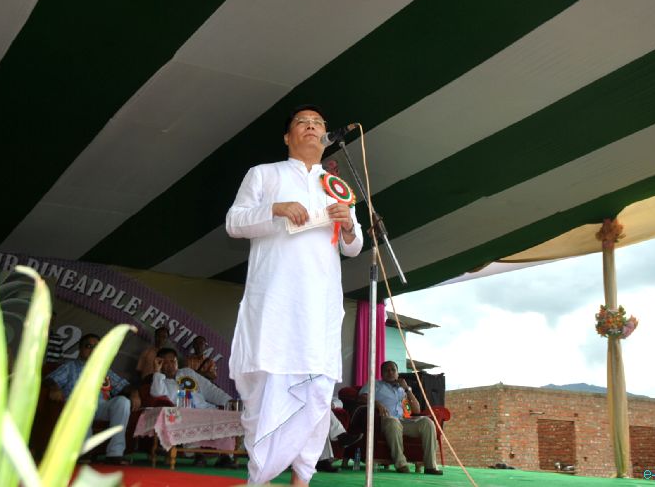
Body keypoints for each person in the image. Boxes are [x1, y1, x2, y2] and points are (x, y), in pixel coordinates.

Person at [226, 104, 363, 486]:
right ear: (288, 137)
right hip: (275, 301)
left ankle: (302, 477)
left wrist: (348, 225)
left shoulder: (335, 185)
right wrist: (276, 208)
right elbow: (234, 222)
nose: (311, 127)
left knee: (317, 389)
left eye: (318, 123)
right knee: (269, 388)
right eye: (302, 122)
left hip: (319, 305)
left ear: (326, 137)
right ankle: (261, 477)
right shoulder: (264, 174)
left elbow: (353, 247)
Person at [45, 333, 139, 465]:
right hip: (78, 406)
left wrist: (134, 393)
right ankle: (84, 451)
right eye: (88, 346)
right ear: (80, 349)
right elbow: (50, 379)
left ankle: (115, 454)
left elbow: (124, 386)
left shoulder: (104, 370)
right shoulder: (70, 367)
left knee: (123, 402)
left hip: (100, 406)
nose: (93, 350)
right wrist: (54, 388)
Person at [150, 347, 236, 468]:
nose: (170, 365)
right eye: (166, 362)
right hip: (182, 413)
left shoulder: (187, 373)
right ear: (160, 363)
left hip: (205, 409)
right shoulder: (160, 381)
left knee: (223, 417)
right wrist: (157, 372)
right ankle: (197, 454)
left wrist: (228, 401)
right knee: (188, 418)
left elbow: (210, 389)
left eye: (173, 361)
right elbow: (156, 394)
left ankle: (225, 455)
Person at [359, 360, 443, 475]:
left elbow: (416, 410)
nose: (390, 372)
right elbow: (362, 397)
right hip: (385, 420)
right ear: (382, 374)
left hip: (403, 421)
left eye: (393, 370)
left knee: (427, 422)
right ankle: (401, 464)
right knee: (393, 421)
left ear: (398, 373)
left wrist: (407, 389)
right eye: (387, 370)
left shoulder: (402, 389)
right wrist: (377, 404)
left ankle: (430, 466)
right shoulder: (375, 384)